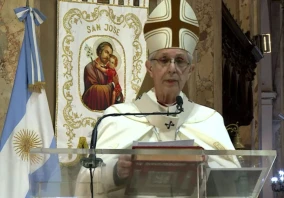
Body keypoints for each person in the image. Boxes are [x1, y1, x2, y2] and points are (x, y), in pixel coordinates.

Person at [76, 0, 239, 197]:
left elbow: (237, 184)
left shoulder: (210, 120)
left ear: (190, 70)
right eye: (163, 59)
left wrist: (207, 170)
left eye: (180, 60)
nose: (172, 68)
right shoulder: (116, 118)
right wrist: (116, 171)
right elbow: (84, 185)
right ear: (150, 68)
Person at [82, 41, 115, 110]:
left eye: (110, 55)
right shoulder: (89, 67)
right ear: (99, 51)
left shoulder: (109, 69)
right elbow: (92, 89)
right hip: (93, 104)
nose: (108, 56)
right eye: (106, 52)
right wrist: (110, 87)